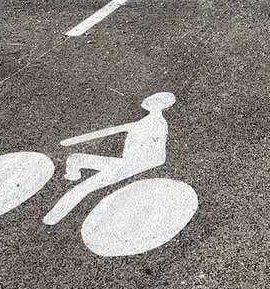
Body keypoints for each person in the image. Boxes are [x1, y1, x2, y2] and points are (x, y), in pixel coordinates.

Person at [42, 92, 176, 225]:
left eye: (156, 101)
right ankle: (72, 176)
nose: (150, 102)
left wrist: (138, 165)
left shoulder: (159, 124)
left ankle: (53, 217)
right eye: (151, 100)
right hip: (125, 162)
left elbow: (160, 157)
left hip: (129, 164)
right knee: (75, 159)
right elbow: (108, 131)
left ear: (163, 105)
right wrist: (72, 141)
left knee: (84, 187)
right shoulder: (143, 122)